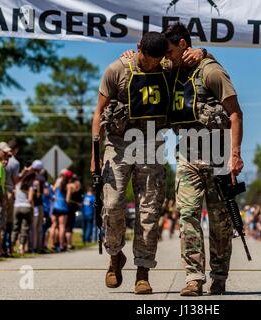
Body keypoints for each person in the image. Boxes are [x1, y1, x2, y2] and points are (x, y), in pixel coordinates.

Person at [162, 23, 244, 296]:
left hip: (217, 154)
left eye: (171, 50)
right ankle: (193, 278)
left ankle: (219, 276)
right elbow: (146, 62)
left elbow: (235, 113)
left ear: (183, 45)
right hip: (187, 153)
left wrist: (235, 155)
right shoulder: (172, 69)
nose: (167, 56)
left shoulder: (211, 71)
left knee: (221, 222)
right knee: (187, 216)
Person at [91, 32, 173, 295]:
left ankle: (143, 271)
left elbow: (195, 60)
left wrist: (204, 52)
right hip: (118, 143)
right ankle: (115, 256)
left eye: (156, 61)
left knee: (148, 210)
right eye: (148, 60)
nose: (152, 66)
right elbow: (98, 112)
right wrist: (95, 155)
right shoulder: (117, 69)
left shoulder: (167, 66)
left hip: (151, 143)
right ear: (139, 49)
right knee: (112, 205)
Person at [2, 140, 21, 257]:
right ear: (16, 150)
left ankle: (1, 247)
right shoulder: (14, 162)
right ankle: (7, 247)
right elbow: (15, 181)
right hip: (8, 191)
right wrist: (24, 174)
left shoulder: (0, 161)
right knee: (8, 222)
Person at [11, 171, 35, 255]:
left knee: (15, 228)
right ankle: (21, 247)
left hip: (17, 207)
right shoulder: (30, 187)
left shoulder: (17, 185)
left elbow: (14, 195)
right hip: (26, 207)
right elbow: (30, 199)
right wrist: (33, 207)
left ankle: (11, 246)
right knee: (24, 228)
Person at [50, 170, 71, 252]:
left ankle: (53, 244)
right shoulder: (68, 186)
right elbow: (68, 199)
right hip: (63, 207)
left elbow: (53, 190)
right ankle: (61, 245)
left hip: (55, 206)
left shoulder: (58, 182)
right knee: (62, 226)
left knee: (54, 225)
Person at [65, 174, 82, 250]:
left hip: (68, 207)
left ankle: (67, 244)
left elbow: (68, 199)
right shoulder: (78, 186)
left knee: (67, 226)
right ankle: (70, 243)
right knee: (71, 226)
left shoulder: (70, 186)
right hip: (74, 208)